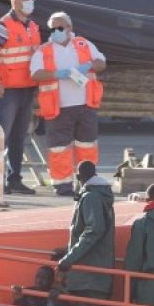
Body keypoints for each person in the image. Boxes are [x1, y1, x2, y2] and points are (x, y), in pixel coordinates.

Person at [30, 12, 106, 197]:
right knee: (59, 148)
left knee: (87, 145)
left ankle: (88, 181)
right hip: (58, 108)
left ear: (70, 27)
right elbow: (35, 73)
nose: (57, 31)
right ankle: (63, 185)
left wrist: (87, 66)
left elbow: (101, 62)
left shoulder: (83, 44)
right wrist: (57, 74)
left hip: (85, 105)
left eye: (60, 27)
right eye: (53, 28)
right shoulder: (44, 50)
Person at [0, 0, 41, 195]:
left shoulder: (33, 26)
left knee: (19, 137)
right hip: (9, 89)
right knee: (2, 135)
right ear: (16, 1)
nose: (31, 1)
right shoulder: (3, 26)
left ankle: (15, 179)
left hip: (27, 89)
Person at [55, 161, 116, 306]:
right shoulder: (100, 196)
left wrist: (68, 258)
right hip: (94, 277)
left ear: (78, 177)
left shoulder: (90, 197)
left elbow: (93, 231)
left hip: (88, 278)